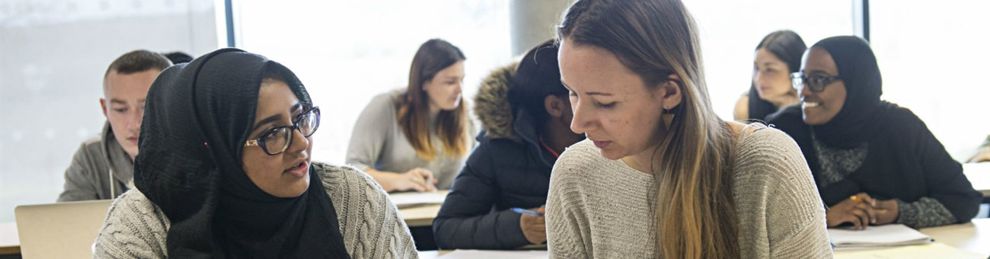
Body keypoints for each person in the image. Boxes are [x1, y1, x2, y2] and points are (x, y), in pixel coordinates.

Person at [545, 0, 832, 258]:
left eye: (604, 103)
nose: (577, 123)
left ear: (670, 92)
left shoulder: (768, 164)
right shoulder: (575, 174)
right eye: (572, 93)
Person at [94, 49, 416, 258]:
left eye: (301, 117)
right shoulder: (142, 226)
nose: (301, 143)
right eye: (272, 133)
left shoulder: (353, 199)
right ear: (214, 150)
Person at [768, 36, 982, 230]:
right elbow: (753, 219)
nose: (804, 91)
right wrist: (822, 218)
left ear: (856, 82)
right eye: (802, 79)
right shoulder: (785, 131)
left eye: (818, 80)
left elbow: (963, 200)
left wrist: (900, 212)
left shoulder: (901, 126)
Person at [433, 40, 583, 249]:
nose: (596, 105)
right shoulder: (497, 146)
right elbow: (446, 229)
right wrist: (518, 227)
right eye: (579, 94)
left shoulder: (611, 142)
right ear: (555, 106)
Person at [346, 39, 474, 192]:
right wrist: (399, 181)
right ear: (424, 82)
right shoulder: (385, 106)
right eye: (450, 82)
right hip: (394, 212)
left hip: (446, 212)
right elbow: (352, 171)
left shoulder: (466, 114)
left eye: (462, 80)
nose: (460, 89)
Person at [58, 50, 171, 202]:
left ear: (173, 104)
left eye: (147, 107)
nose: (134, 123)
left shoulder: (203, 149)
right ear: (105, 109)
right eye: (121, 109)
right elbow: (65, 223)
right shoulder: (90, 156)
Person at [733, 30, 805, 122]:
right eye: (756, 68)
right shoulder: (745, 107)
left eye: (770, 70)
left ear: (796, 69)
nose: (759, 79)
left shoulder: (814, 106)